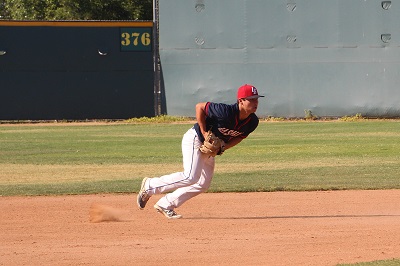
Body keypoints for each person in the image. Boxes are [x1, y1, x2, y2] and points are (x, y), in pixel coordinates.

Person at [136, 84, 264, 219]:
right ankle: (150, 186)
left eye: (256, 99)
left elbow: (239, 137)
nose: (255, 102)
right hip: (195, 139)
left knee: (203, 183)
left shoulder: (252, 122)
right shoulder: (225, 111)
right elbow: (200, 107)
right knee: (190, 176)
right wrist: (204, 132)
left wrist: (224, 147)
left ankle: (166, 204)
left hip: (209, 149)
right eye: (251, 99)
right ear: (241, 101)